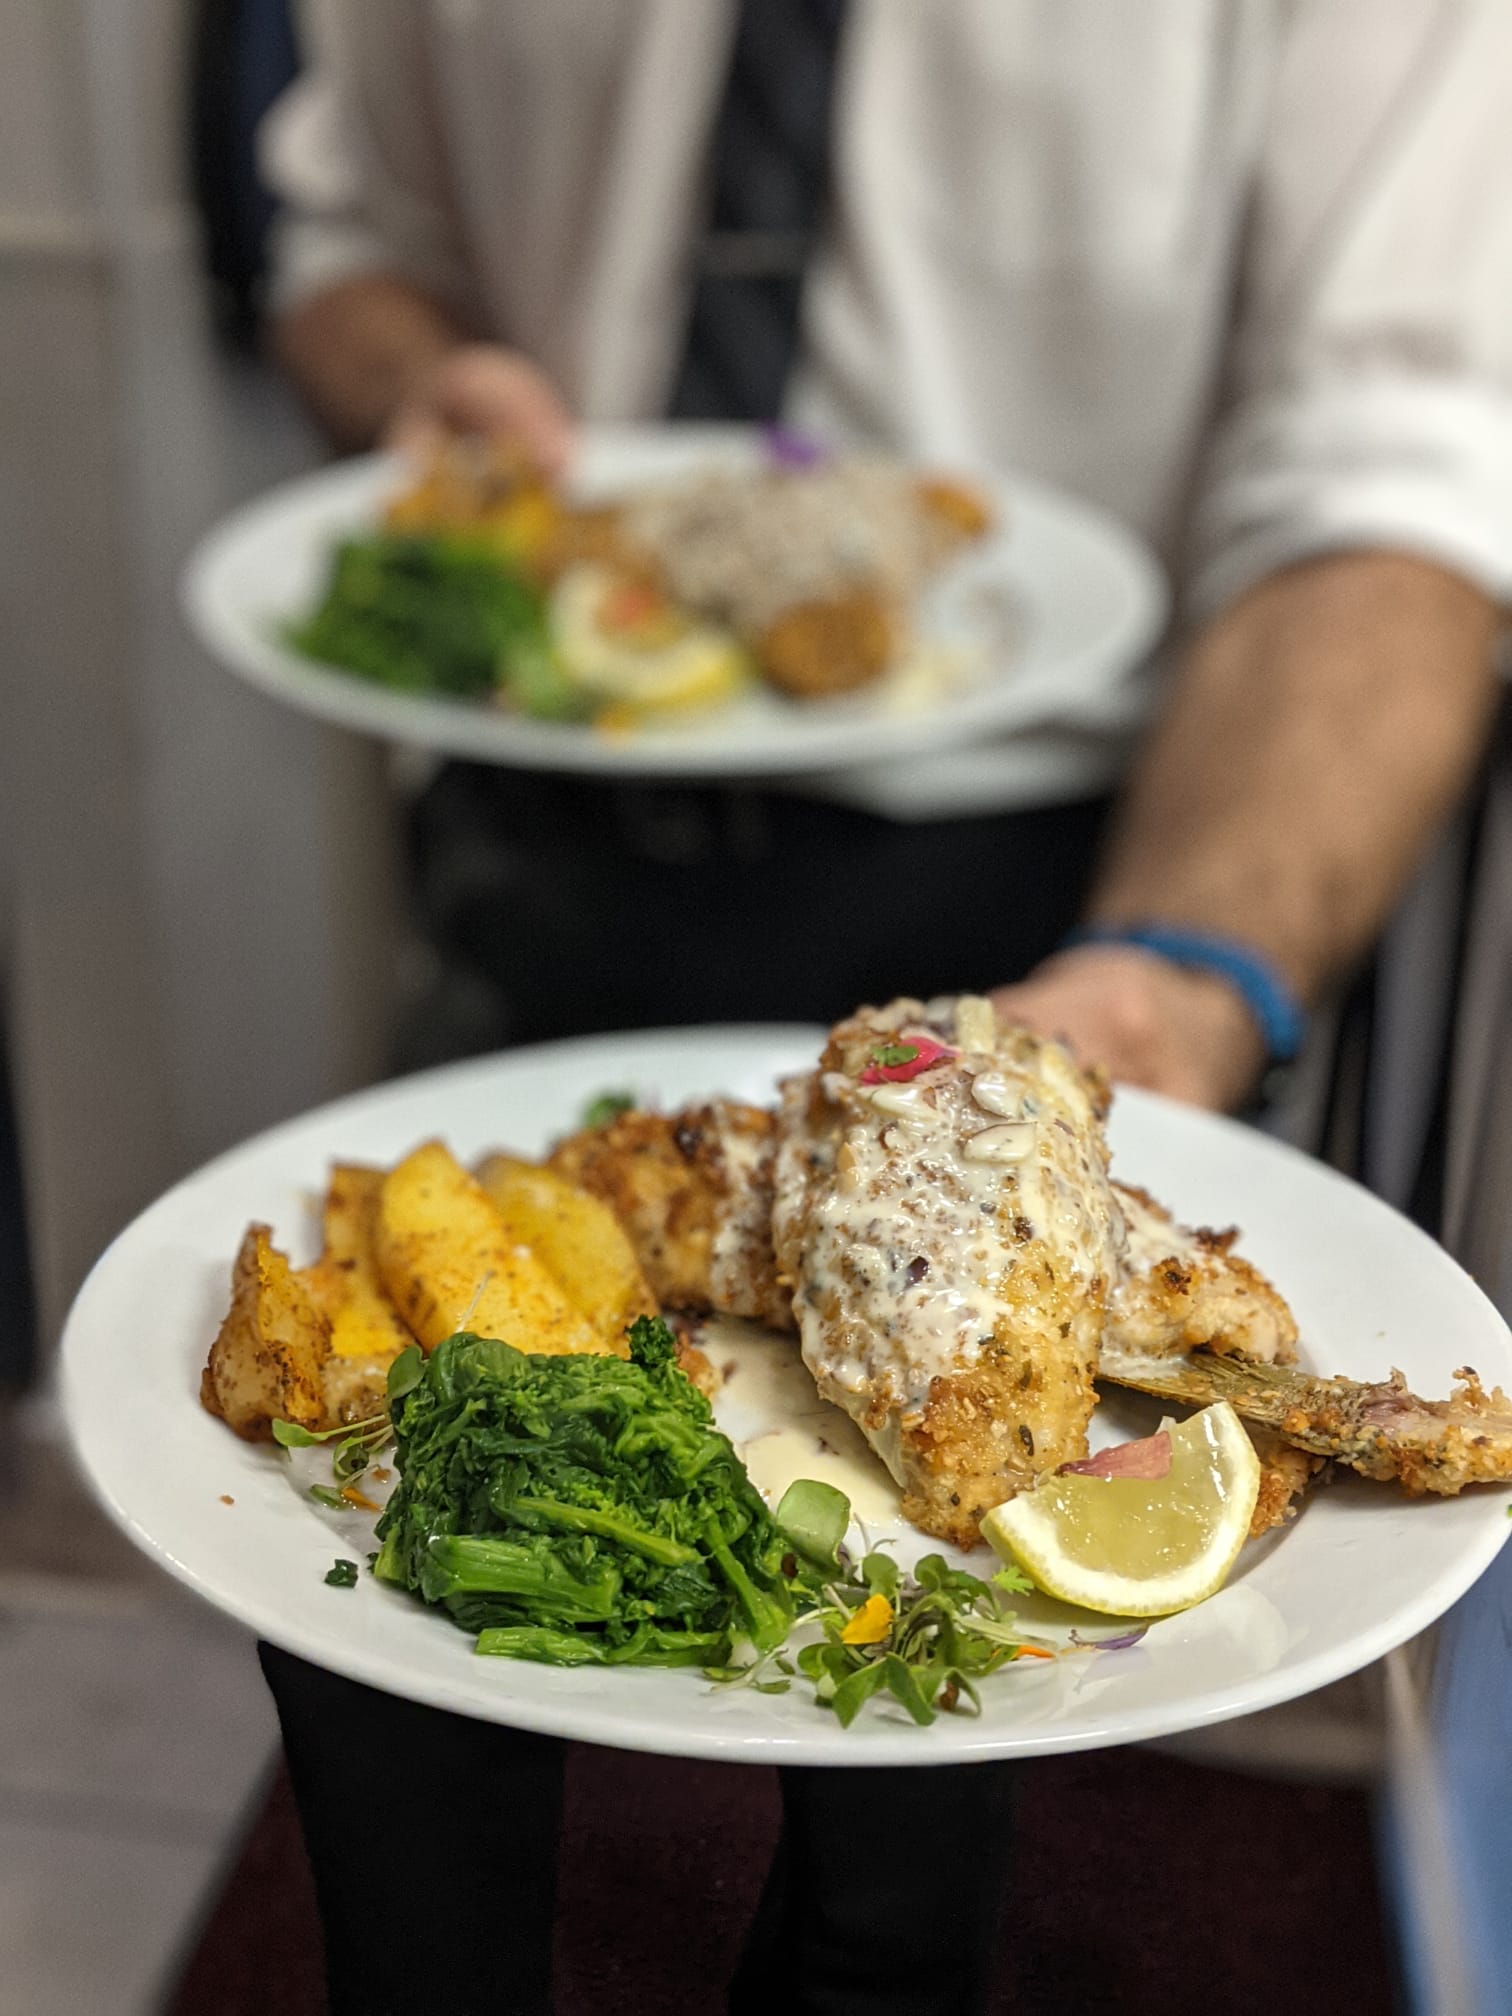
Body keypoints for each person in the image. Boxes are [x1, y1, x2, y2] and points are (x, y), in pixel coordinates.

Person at [249, 4, 1512, 2011]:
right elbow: (344, 237)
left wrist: (1181, 972)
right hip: (527, 836)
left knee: (926, 1710)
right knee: (381, 1593)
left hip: (1020, 883)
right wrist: (426, 383)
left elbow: (1403, 469)